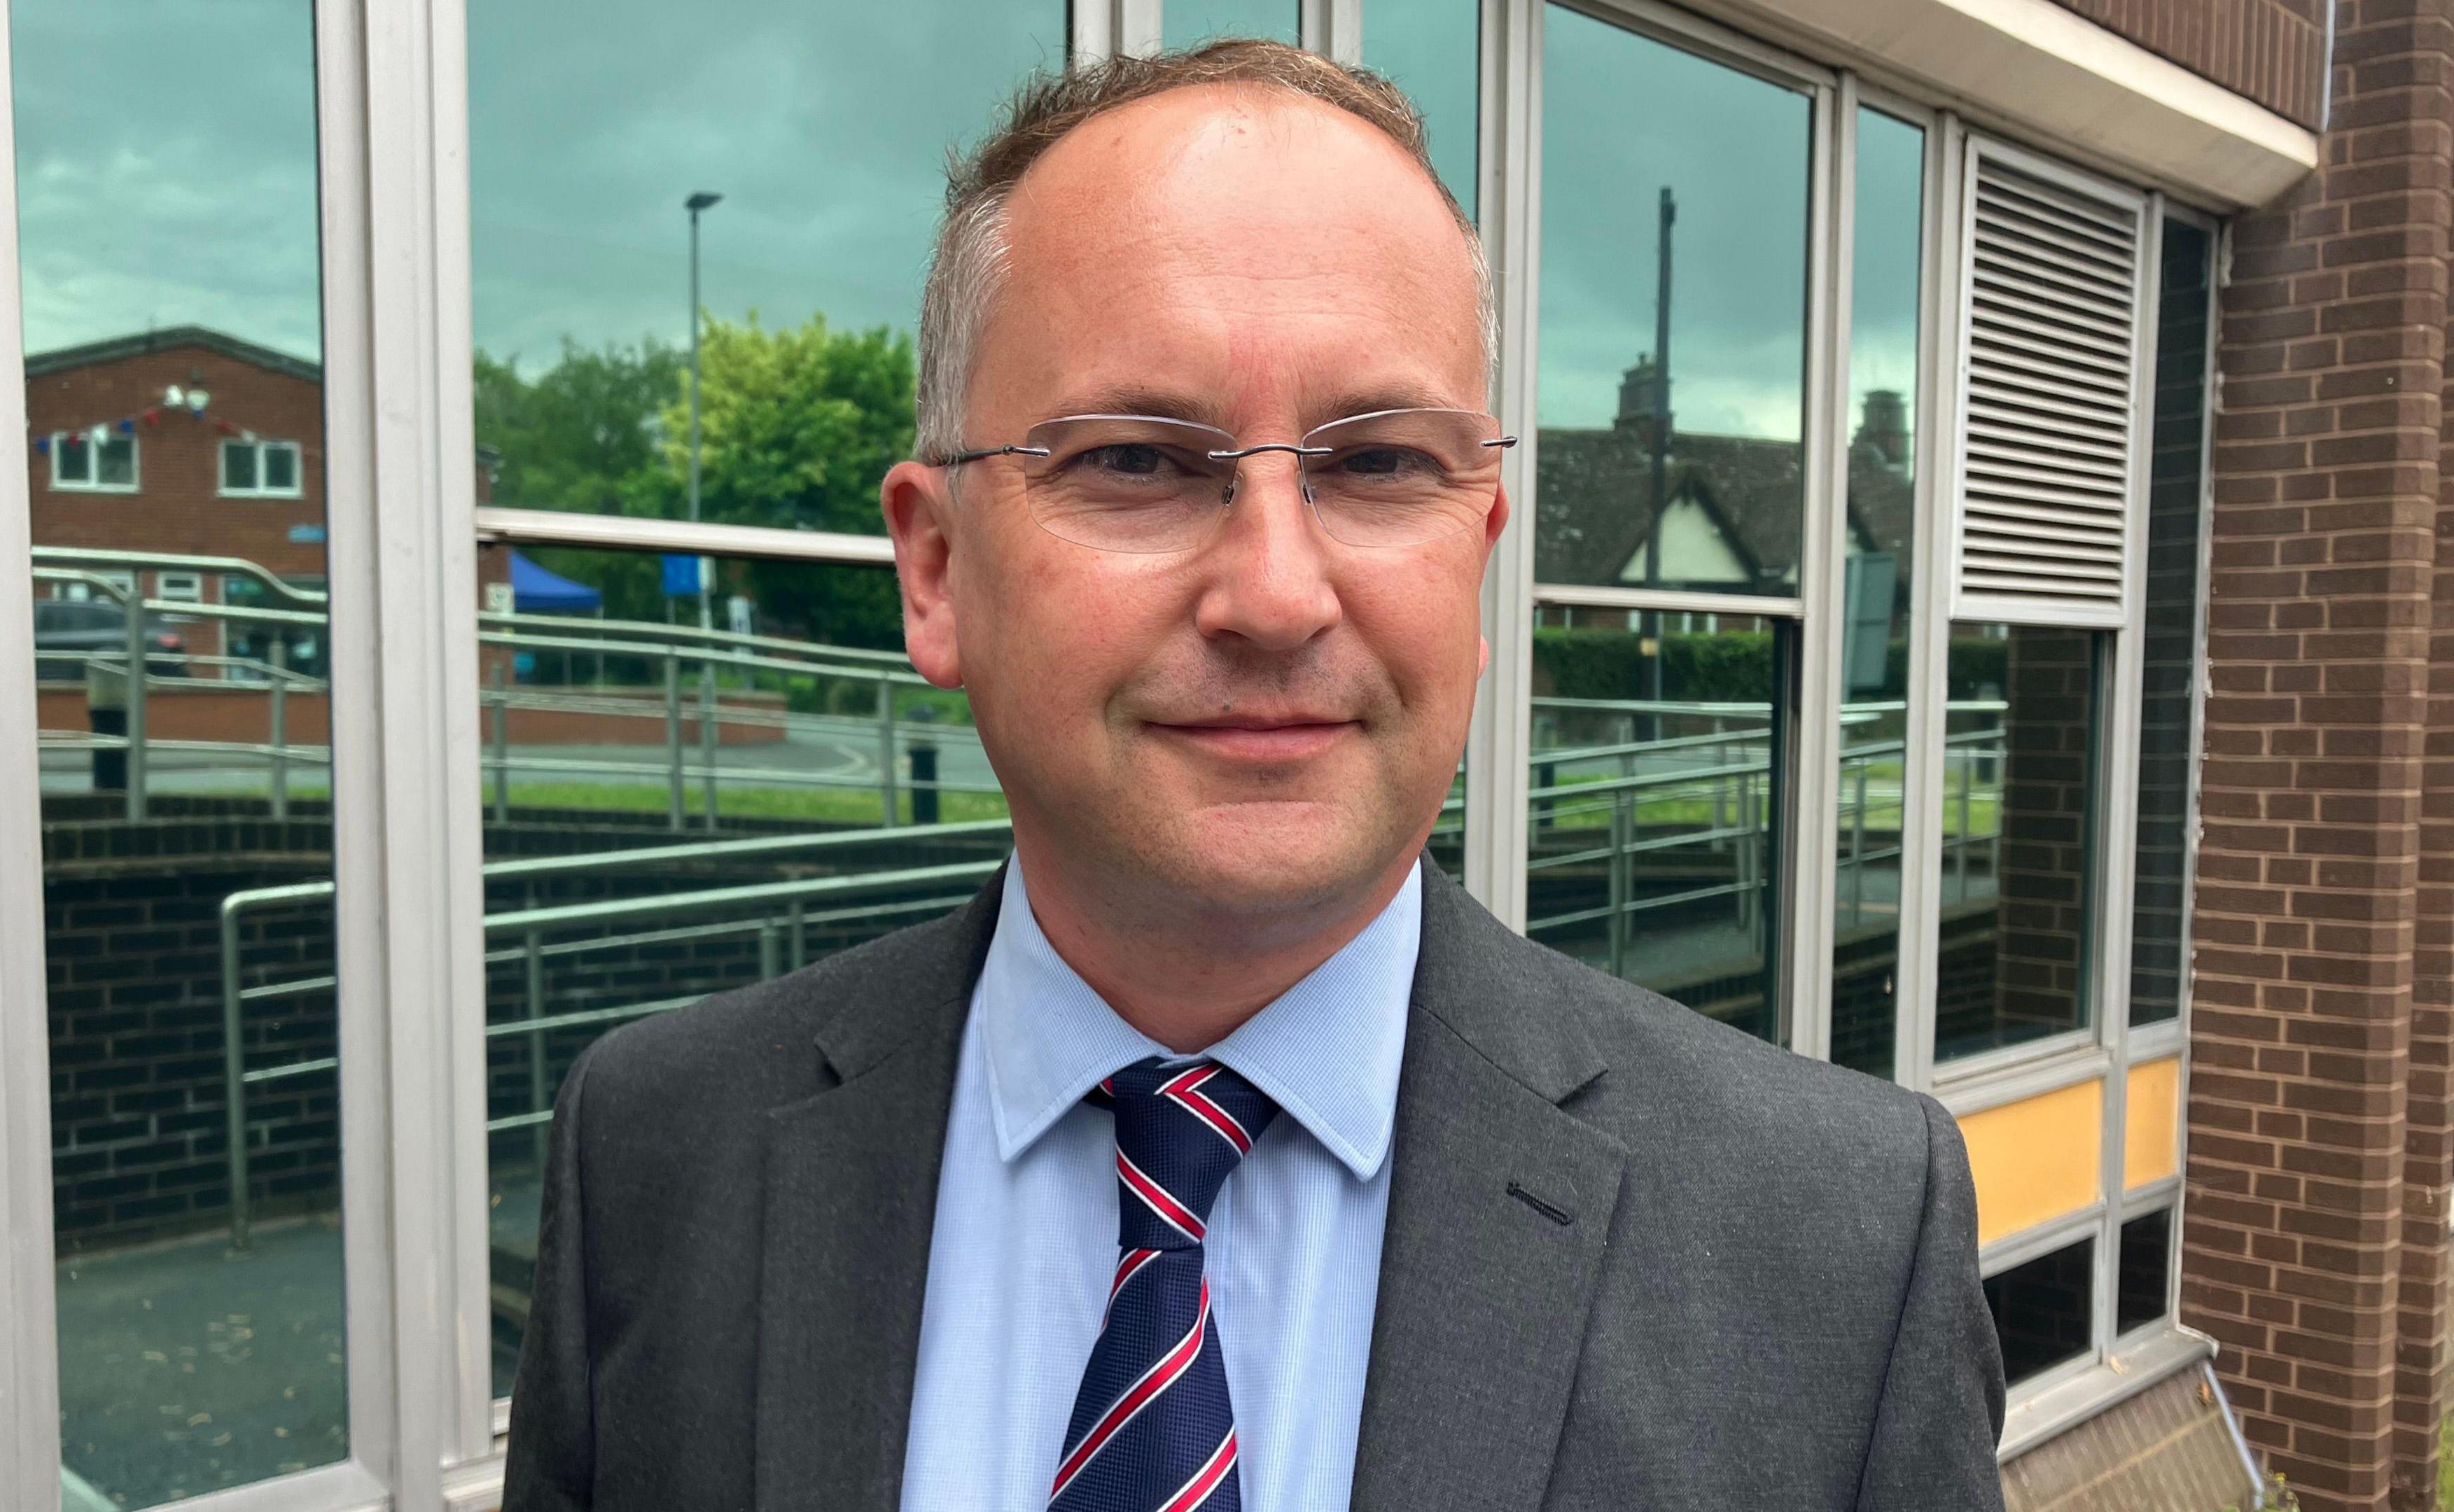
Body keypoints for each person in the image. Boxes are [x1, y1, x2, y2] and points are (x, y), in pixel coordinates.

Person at [501, 38, 2006, 1512]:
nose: (1277, 595)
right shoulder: (654, 1153)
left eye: (1378, 466)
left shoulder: (1839, 1252)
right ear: (939, 568)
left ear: (1476, 567)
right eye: (1140, 461)